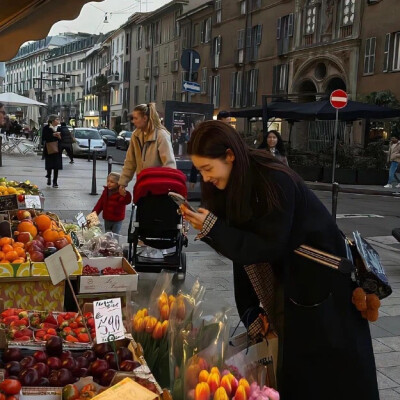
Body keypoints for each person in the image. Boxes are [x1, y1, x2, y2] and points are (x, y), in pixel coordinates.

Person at [180, 121, 379, 400]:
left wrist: (214, 228)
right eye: (200, 170)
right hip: (297, 289)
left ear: (229, 156)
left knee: (333, 378)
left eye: (208, 169)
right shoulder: (236, 183)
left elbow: (266, 246)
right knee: (299, 373)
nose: (206, 177)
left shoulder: (274, 179)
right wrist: (249, 310)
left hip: (325, 289)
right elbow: (244, 251)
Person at [118, 103, 176, 196]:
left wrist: (169, 187)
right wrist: (122, 183)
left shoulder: (161, 135)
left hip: (158, 188)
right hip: (142, 185)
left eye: (136, 118)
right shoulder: (136, 135)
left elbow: (169, 163)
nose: (133, 121)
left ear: (144, 118)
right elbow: (130, 161)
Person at [42, 115, 62, 188]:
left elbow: (63, 138)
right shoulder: (46, 128)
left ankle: (55, 182)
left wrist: (59, 136)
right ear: (53, 120)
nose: (58, 121)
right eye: (57, 119)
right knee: (49, 165)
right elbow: (43, 138)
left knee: (56, 166)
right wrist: (52, 135)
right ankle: (49, 176)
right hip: (49, 148)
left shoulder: (59, 128)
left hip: (57, 149)